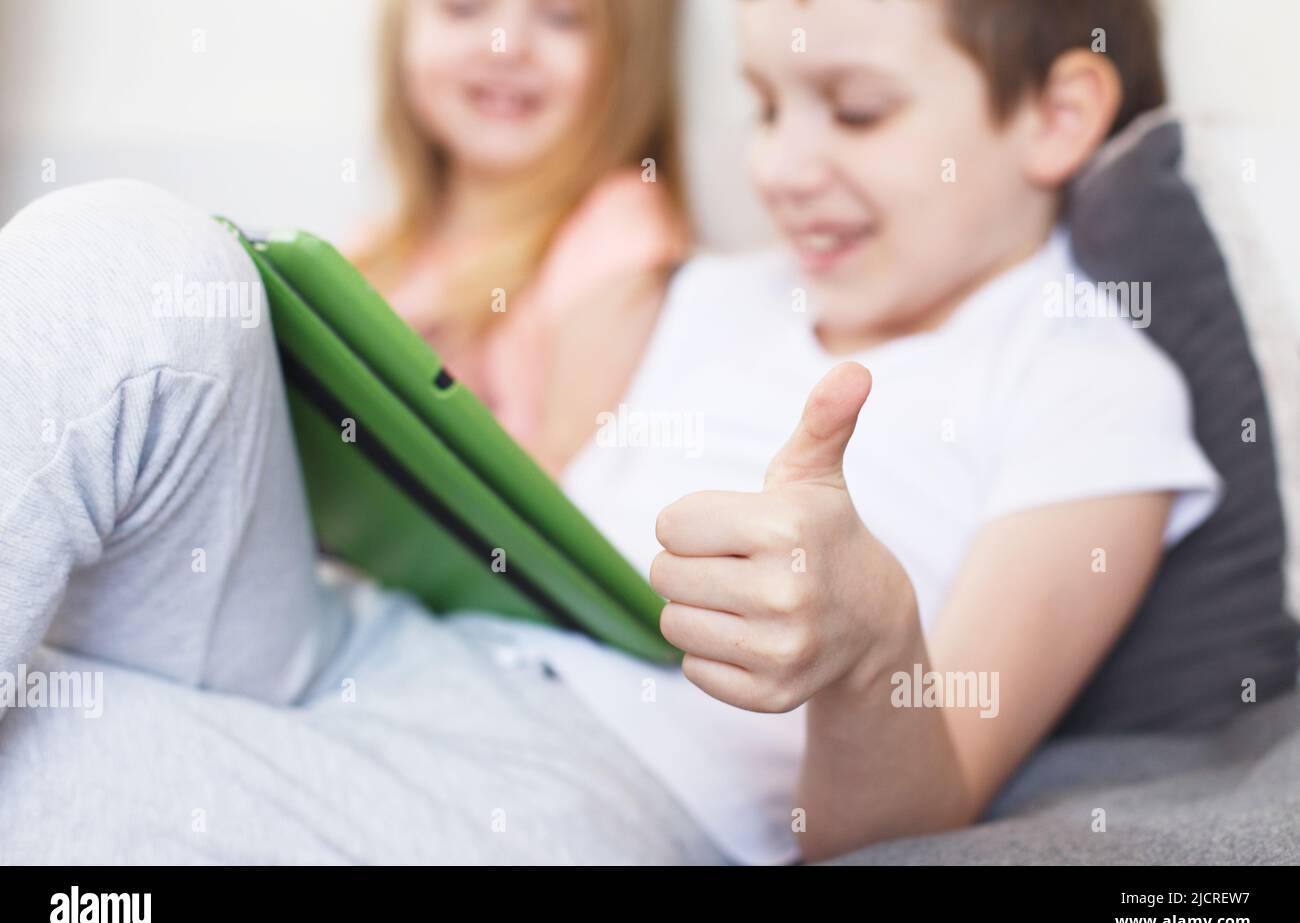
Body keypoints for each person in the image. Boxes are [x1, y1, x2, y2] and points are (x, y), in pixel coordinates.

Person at [0, 0, 1259, 865]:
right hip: (382, 640)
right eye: (765, 105)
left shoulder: (1091, 384)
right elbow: (523, 497)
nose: (781, 166)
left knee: (43, 768)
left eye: (856, 111)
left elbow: (910, 819)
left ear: (1056, 114)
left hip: (584, 789)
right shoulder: (715, 290)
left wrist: (871, 645)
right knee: (139, 254)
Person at [351, 0, 688, 472]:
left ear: (629, 61)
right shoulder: (375, 251)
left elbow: (560, 502)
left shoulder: (616, 229)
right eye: (464, 8)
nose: (506, 48)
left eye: (562, 17)